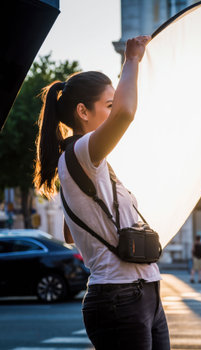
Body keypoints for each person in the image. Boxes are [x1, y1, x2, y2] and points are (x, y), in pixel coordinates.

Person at [33, 36, 170, 350]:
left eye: (113, 104)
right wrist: (131, 60)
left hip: (144, 291)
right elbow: (126, 114)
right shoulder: (81, 152)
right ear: (83, 111)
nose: (114, 111)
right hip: (119, 297)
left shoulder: (94, 163)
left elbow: (72, 233)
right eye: (108, 105)